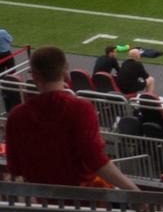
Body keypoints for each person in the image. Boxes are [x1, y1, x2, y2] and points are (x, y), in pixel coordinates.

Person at [5, 46, 137, 188]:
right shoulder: (80, 108)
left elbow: (15, 167)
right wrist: (133, 190)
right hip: (80, 200)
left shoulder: (17, 116)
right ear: (65, 71)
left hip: (42, 201)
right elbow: (95, 160)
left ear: (34, 76)